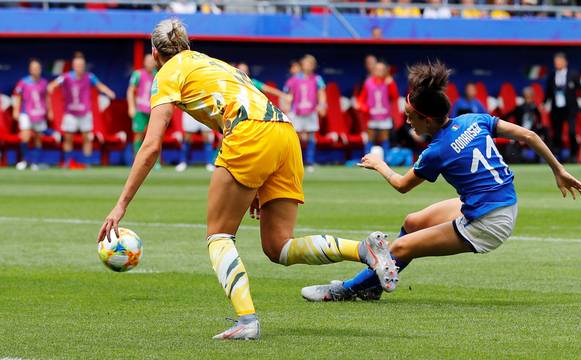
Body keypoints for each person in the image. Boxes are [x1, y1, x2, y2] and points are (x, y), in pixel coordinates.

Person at [97, 19, 397, 341]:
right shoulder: (211, 63)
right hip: (283, 131)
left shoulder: (167, 73)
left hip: (249, 134)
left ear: (155, 52)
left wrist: (120, 205)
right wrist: (254, 181)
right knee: (278, 246)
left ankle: (247, 321)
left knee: (219, 236)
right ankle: (364, 249)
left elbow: (152, 143)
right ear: (187, 44)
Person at [300, 61, 581, 302]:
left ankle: (345, 291)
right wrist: (558, 170)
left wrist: (379, 165)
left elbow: (401, 185)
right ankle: (372, 287)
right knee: (412, 223)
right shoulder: (473, 119)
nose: (407, 121)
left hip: (488, 223)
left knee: (398, 249)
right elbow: (529, 136)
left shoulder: (435, 151)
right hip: (498, 203)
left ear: (427, 119)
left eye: (411, 117)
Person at [48, 53, 115, 167]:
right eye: (77, 65)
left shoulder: (89, 77)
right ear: (74, 66)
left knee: (87, 137)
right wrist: (51, 89)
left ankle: (87, 162)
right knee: (68, 138)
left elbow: (99, 85)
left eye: (82, 65)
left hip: (85, 112)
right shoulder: (66, 77)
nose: (80, 67)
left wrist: (108, 92)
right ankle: (68, 161)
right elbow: (52, 85)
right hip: (70, 112)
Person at [284, 54, 327, 172]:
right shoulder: (294, 79)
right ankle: (296, 162)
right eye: (306, 63)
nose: (308, 66)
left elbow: (322, 92)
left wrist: (322, 105)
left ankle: (310, 161)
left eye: (311, 64)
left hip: (311, 111)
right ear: (302, 65)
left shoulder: (317, 79)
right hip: (297, 112)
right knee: (295, 137)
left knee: (311, 136)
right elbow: (288, 93)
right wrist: (287, 105)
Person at [356, 61, 400, 156]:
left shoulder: (388, 82)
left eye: (382, 69)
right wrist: (363, 108)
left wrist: (391, 83)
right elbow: (362, 98)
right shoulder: (368, 82)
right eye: (377, 69)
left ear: (385, 71)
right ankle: (367, 158)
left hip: (384, 115)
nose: (379, 71)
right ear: (374, 70)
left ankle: (386, 159)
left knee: (384, 137)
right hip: (371, 115)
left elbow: (395, 97)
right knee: (370, 137)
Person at [13, 58, 50, 171]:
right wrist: (16, 110)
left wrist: (49, 110)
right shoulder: (23, 82)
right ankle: (25, 161)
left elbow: (46, 98)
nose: (35, 70)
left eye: (37, 68)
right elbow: (17, 96)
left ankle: (35, 162)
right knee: (25, 136)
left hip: (39, 113)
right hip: (26, 113)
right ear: (30, 69)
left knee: (38, 137)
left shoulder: (44, 82)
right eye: (33, 68)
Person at [545, 52, 580, 163]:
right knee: (557, 133)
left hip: (570, 109)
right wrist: (544, 102)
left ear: (565, 62)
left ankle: (574, 154)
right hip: (557, 109)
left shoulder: (573, 74)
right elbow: (549, 92)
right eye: (556, 62)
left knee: (571, 131)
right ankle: (558, 156)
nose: (558, 64)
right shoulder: (552, 75)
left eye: (560, 62)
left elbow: (580, 89)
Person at [503, 86, 549, 162]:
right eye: (527, 96)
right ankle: (513, 159)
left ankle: (544, 158)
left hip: (532, 132)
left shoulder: (535, 108)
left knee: (545, 132)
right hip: (519, 131)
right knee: (511, 144)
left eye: (530, 96)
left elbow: (539, 122)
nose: (528, 98)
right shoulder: (519, 108)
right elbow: (507, 116)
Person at [127, 54, 157, 158]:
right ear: (144, 62)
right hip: (140, 109)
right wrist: (131, 106)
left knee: (154, 136)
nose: (150, 63)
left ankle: (155, 161)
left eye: (151, 61)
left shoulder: (158, 74)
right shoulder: (137, 74)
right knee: (138, 134)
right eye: (148, 61)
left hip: (153, 110)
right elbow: (130, 90)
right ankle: (137, 158)